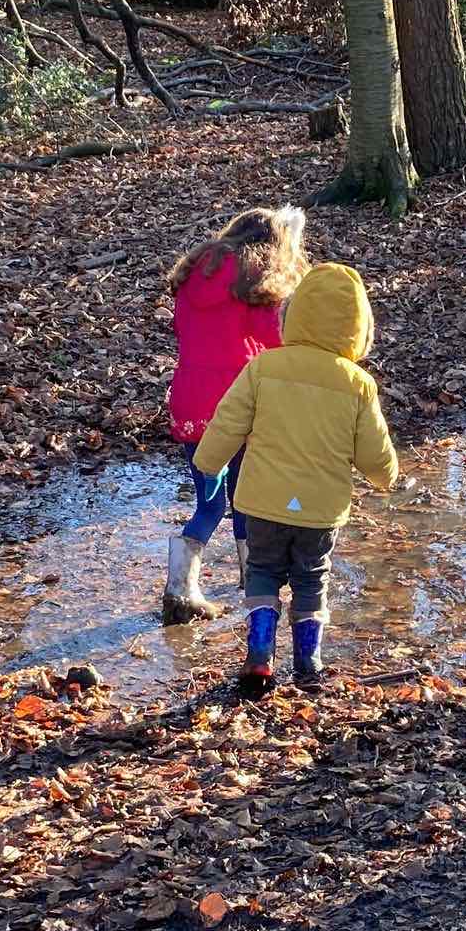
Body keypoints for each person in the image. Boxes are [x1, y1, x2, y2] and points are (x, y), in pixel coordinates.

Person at [192, 260, 398, 696]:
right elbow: (373, 453)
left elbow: (229, 423)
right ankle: (308, 662)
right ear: (358, 328)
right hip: (321, 511)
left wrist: (209, 462)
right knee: (311, 577)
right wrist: (386, 476)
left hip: (261, 501)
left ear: (294, 314)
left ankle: (261, 655)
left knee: (262, 571)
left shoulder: (265, 367)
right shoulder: (358, 384)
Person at [162, 206, 309, 622]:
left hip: (190, 398)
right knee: (245, 497)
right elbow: (274, 337)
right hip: (238, 402)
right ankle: (244, 580)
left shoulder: (196, 271)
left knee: (209, 501)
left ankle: (184, 587)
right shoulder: (255, 275)